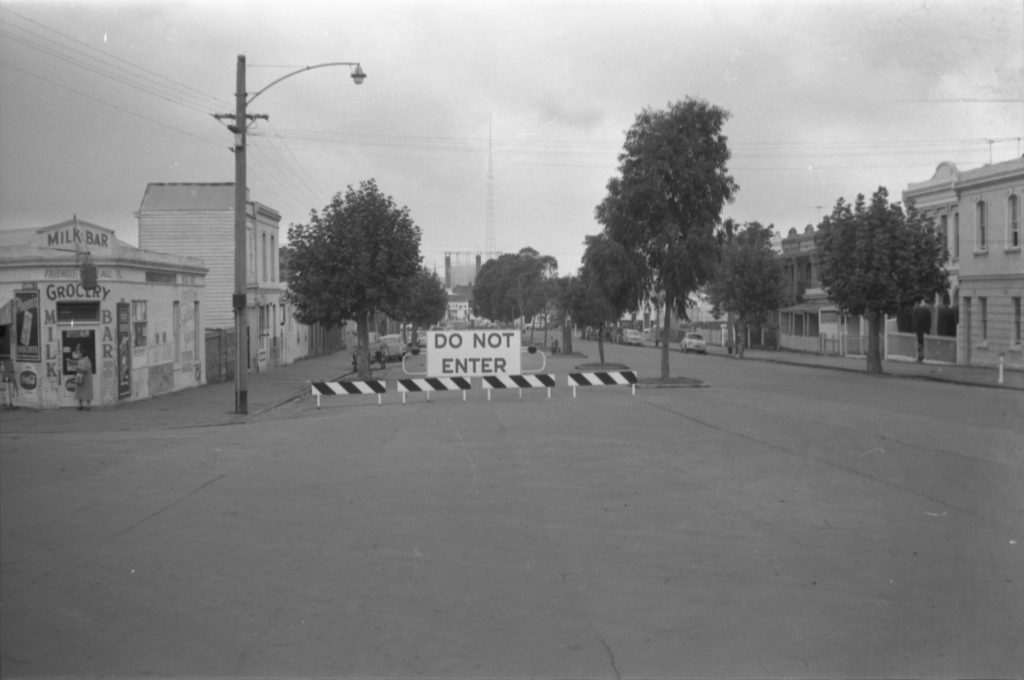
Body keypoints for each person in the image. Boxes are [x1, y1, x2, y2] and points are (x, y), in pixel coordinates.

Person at [73, 345, 93, 410]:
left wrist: (79, 368)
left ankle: (88, 405)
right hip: (80, 377)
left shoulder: (86, 359)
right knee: (79, 390)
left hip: (86, 378)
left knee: (87, 391)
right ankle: (80, 405)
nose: (77, 354)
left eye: (78, 352)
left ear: (82, 353)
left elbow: (87, 368)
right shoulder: (80, 359)